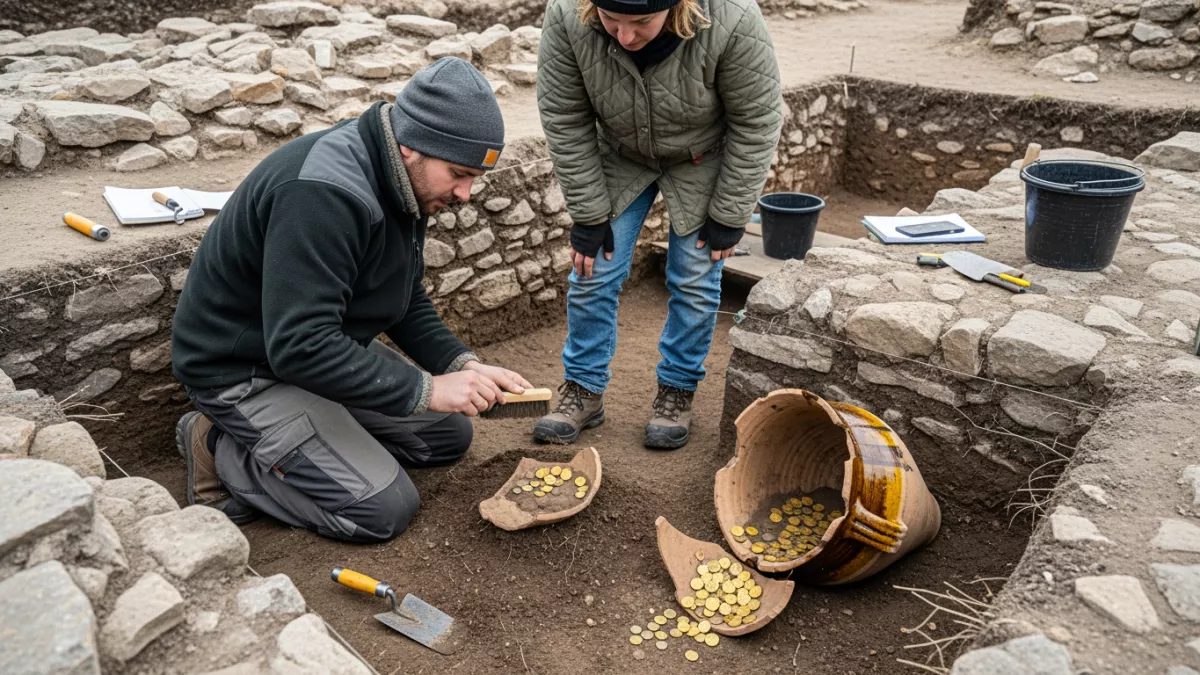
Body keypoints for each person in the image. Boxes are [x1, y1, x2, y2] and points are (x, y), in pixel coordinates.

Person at [171, 57, 532, 543]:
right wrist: (426, 389)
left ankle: (318, 436)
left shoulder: (403, 179)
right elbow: (300, 344)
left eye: (475, 178)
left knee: (447, 436)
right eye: (459, 173)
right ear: (411, 148)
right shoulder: (323, 194)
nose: (465, 193)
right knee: (381, 509)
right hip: (243, 369)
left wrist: (459, 363)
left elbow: (401, 295)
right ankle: (217, 445)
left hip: (313, 349)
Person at [532, 0, 783, 449]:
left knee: (694, 277)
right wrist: (589, 215)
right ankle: (584, 389)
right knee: (593, 271)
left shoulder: (734, 18)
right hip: (621, 154)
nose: (623, 37)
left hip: (701, 158)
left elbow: (756, 121)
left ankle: (676, 389)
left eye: (641, 22)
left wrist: (729, 214)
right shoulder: (567, 13)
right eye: (611, 20)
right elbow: (565, 118)